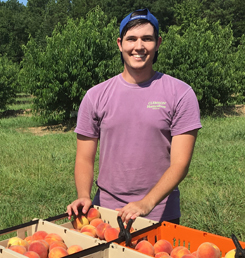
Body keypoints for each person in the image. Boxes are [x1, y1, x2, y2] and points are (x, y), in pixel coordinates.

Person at [66, 8, 202, 225]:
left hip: (159, 214)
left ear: (158, 43)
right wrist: (83, 195)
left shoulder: (180, 94)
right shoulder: (95, 96)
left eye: (147, 39)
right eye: (132, 39)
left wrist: (147, 203)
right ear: (120, 44)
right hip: (105, 213)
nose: (139, 46)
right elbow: (84, 158)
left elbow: (180, 164)